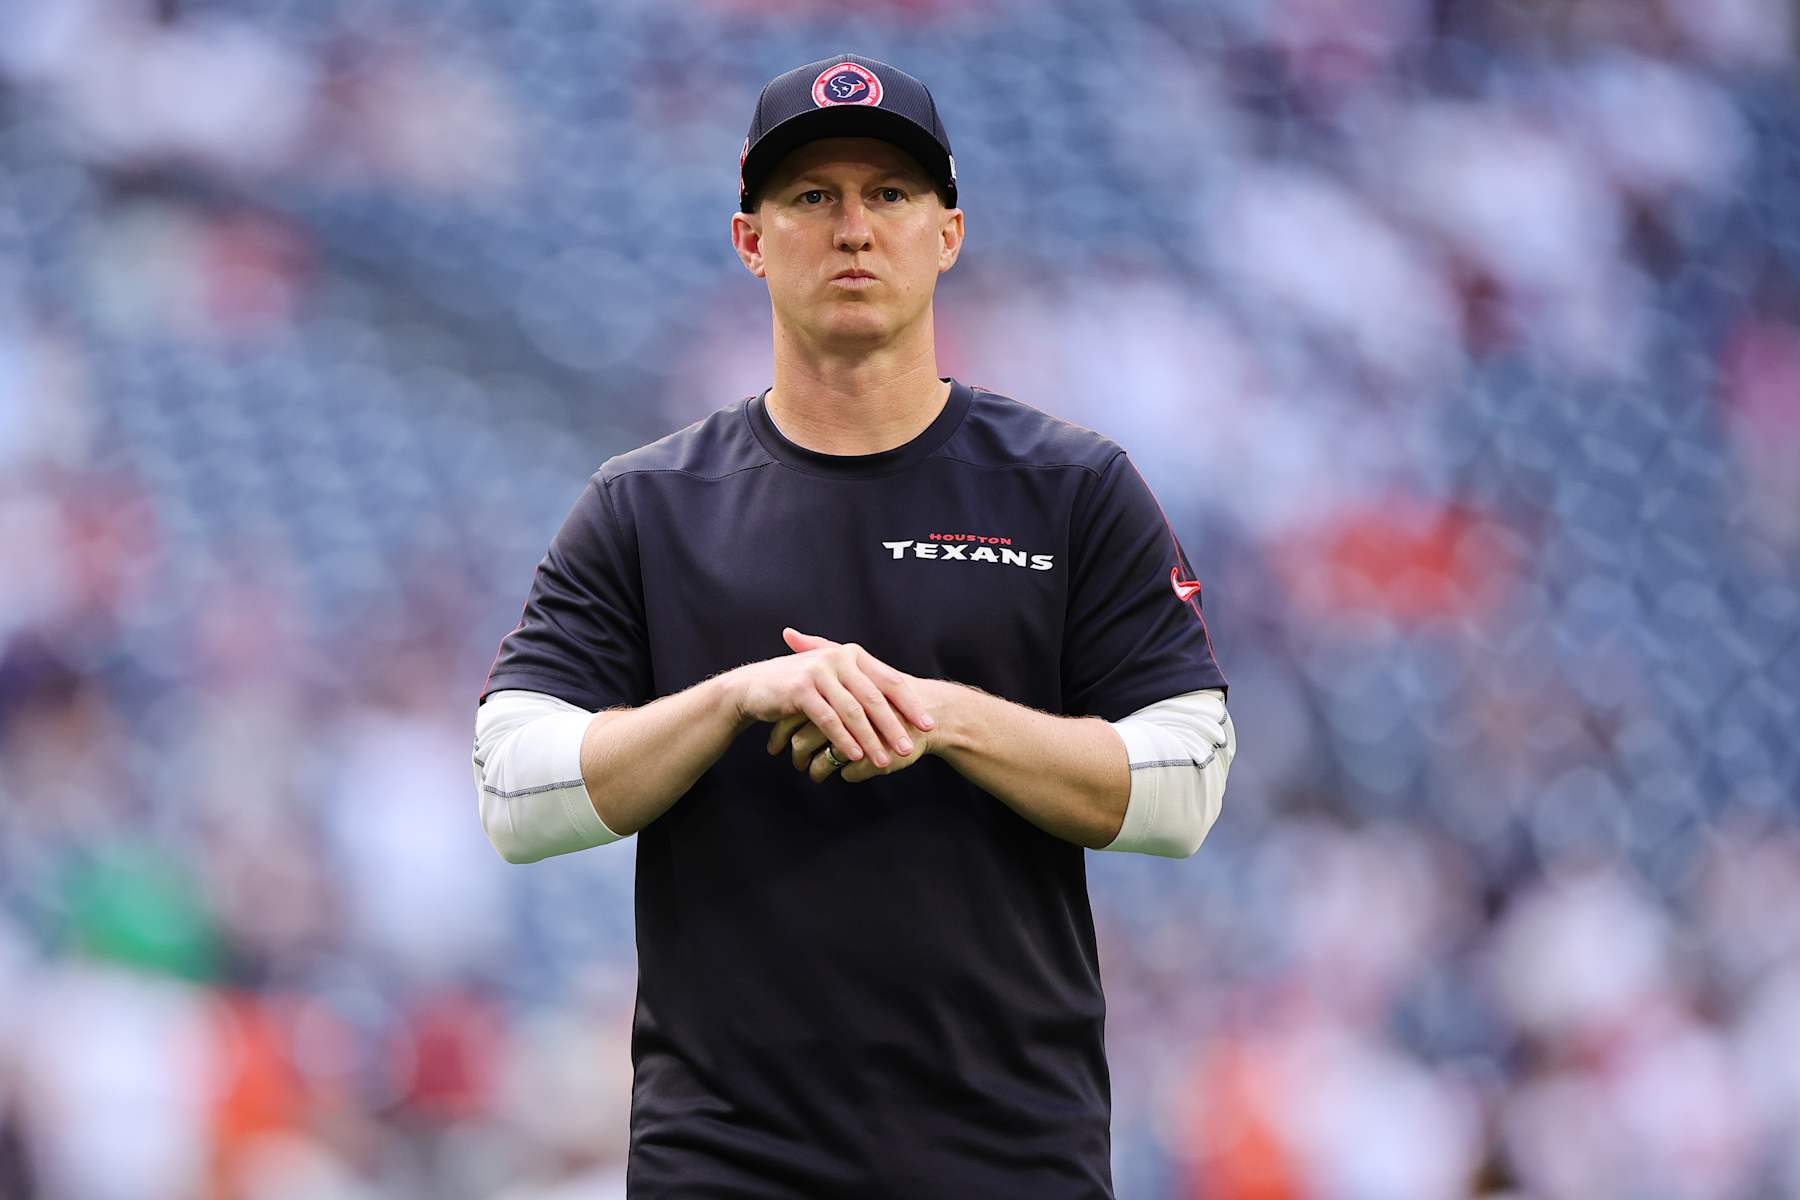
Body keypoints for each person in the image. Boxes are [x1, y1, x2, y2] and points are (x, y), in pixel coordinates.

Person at [471, 51, 1236, 1198]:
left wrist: (940, 717)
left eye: (889, 194)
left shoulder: (1071, 488)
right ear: (750, 240)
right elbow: (513, 795)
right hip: (726, 1164)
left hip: (1011, 1156)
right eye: (811, 197)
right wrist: (735, 698)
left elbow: (1185, 789)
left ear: (950, 233)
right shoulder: (648, 505)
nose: (853, 229)